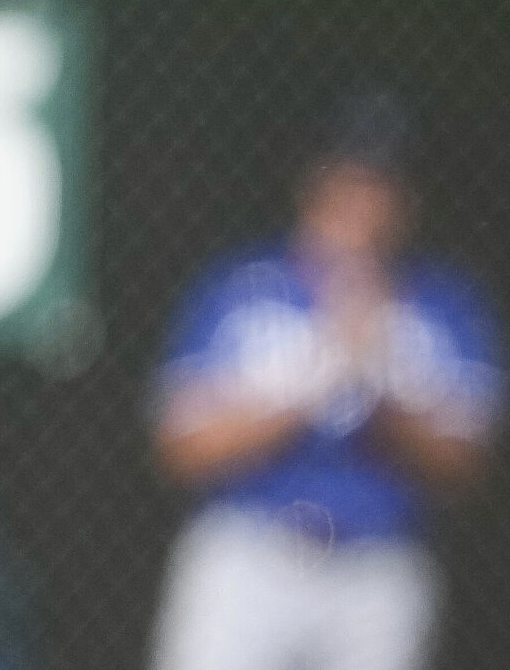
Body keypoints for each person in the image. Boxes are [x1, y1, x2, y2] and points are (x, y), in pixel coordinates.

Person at [148, 100, 500, 670]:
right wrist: (321, 372)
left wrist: (379, 390)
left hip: (378, 564)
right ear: (312, 184)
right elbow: (182, 449)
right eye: (347, 180)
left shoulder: (444, 303)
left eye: (380, 185)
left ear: (407, 201)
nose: (361, 202)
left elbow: (466, 468)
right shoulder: (242, 288)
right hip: (250, 550)